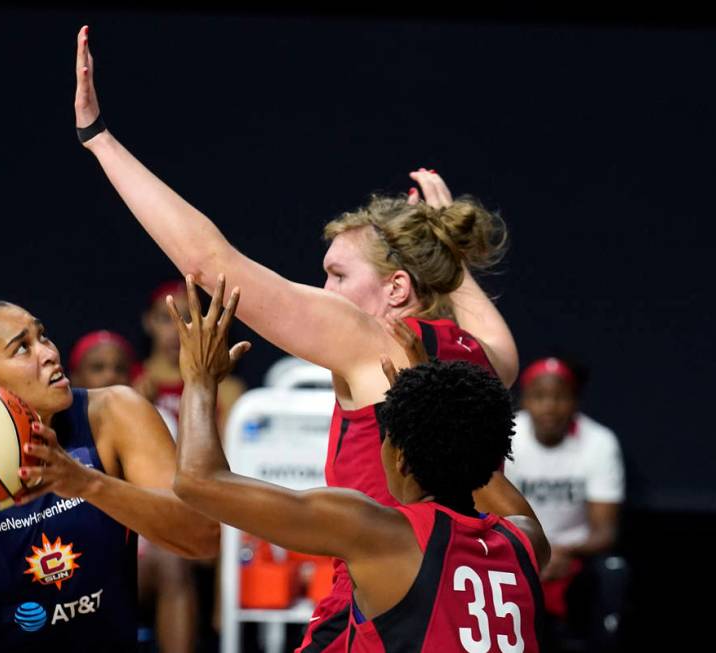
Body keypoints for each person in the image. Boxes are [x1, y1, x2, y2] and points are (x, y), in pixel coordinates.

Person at [72, 26, 536, 651]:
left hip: (376, 610)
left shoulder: (368, 337)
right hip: (460, 600)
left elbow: (212, 265)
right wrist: (444, 243)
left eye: (337, 275)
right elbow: (486, 327)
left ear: (396, 289)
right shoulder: (480, 359)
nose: (323, 290)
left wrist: (99, 140)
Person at [170, 275, 550, 652]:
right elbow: (475, 455)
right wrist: (431, 396)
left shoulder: (382, 534)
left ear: (399, 458)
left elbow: (197, 480)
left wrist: (199, 379)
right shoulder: (526, 539)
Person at [0, 300, 219, 653]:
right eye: (22, 348)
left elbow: (202, 537)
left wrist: (88, 484)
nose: (49, 353)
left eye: (43, 336)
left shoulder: (115, 415)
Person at [67, 328, 200, 653]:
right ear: (74, 376)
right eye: (98, 367)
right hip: (69, 542)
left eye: (119, 368)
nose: (111, 374)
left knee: (172, 560)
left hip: (140, 543)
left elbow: (180, 505)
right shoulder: (56, 424)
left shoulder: (156, 419)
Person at [505, 356, 627, 652]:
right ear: (525, 401)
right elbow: (494, 513)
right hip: (519, 553)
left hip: (575, 556)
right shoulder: (507, 437)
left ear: (575, 402)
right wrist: (534, 554)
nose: (549, 406)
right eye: (540, 396)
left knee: (613, 571)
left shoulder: (599, 442)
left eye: (560, 397)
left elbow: (605, 532)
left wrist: (563, 552)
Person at [134, 280, 246, 435]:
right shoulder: (129, 380)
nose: (176, 329)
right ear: (148, 322)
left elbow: (228, 455)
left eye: (188, 318)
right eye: (166, 318)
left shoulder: (225, 389)